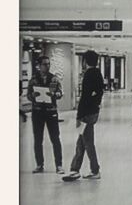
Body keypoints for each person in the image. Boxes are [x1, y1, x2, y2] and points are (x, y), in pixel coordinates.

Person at [63, 50, 105, 182]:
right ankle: (74, 169)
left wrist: (79, 115)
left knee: (87, 143)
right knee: (81, 142)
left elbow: (85, 97)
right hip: (93, 112)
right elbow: (98, 93)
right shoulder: (98, 74)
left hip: (85, 114)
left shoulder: (88, 75)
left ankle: (95, 170)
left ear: (85, 61)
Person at [27, 55, 64, 174]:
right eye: (44, 64)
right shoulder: (33, 80)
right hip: (37, 112)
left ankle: (59, 165)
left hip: (51, 111)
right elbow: (28, 95)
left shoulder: (54, 79)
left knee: (55, 138)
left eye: (48, 64)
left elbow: (60, 92)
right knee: (38, 139)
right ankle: (39, 164)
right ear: (39, 66)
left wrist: (56, 95)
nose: (47, 66)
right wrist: (33, 96)